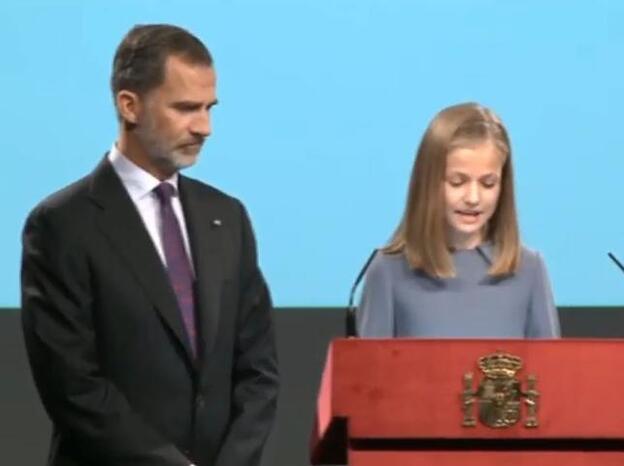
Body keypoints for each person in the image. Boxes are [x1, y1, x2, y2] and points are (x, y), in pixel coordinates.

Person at [21, 24, 278, 466]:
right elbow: (74, 387)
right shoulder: (61, 224)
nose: (205, 127)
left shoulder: (227, 217)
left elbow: (257, 370)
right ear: (130, 105)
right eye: (185, 108)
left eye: (209, 108)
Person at [357, 102, 560, 338]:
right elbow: (367, 373)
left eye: (488, 183)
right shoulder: (388, 271)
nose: (473, 198)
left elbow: (550, 372)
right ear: (429, 182)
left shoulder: (529, 270)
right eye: (457, 182)